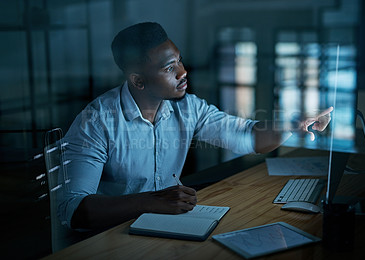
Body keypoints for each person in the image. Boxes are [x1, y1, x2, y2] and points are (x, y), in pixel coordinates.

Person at [58, 22, 332, 231]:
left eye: (179, 60)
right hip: (115, 237)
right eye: (169, 68)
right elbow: (73, 208)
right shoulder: (94, 122)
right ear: (138, 81)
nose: (182, 71)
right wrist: (150, 201)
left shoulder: (188, 107)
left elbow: (248, 137)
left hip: (171, 227)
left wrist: (292, 124)